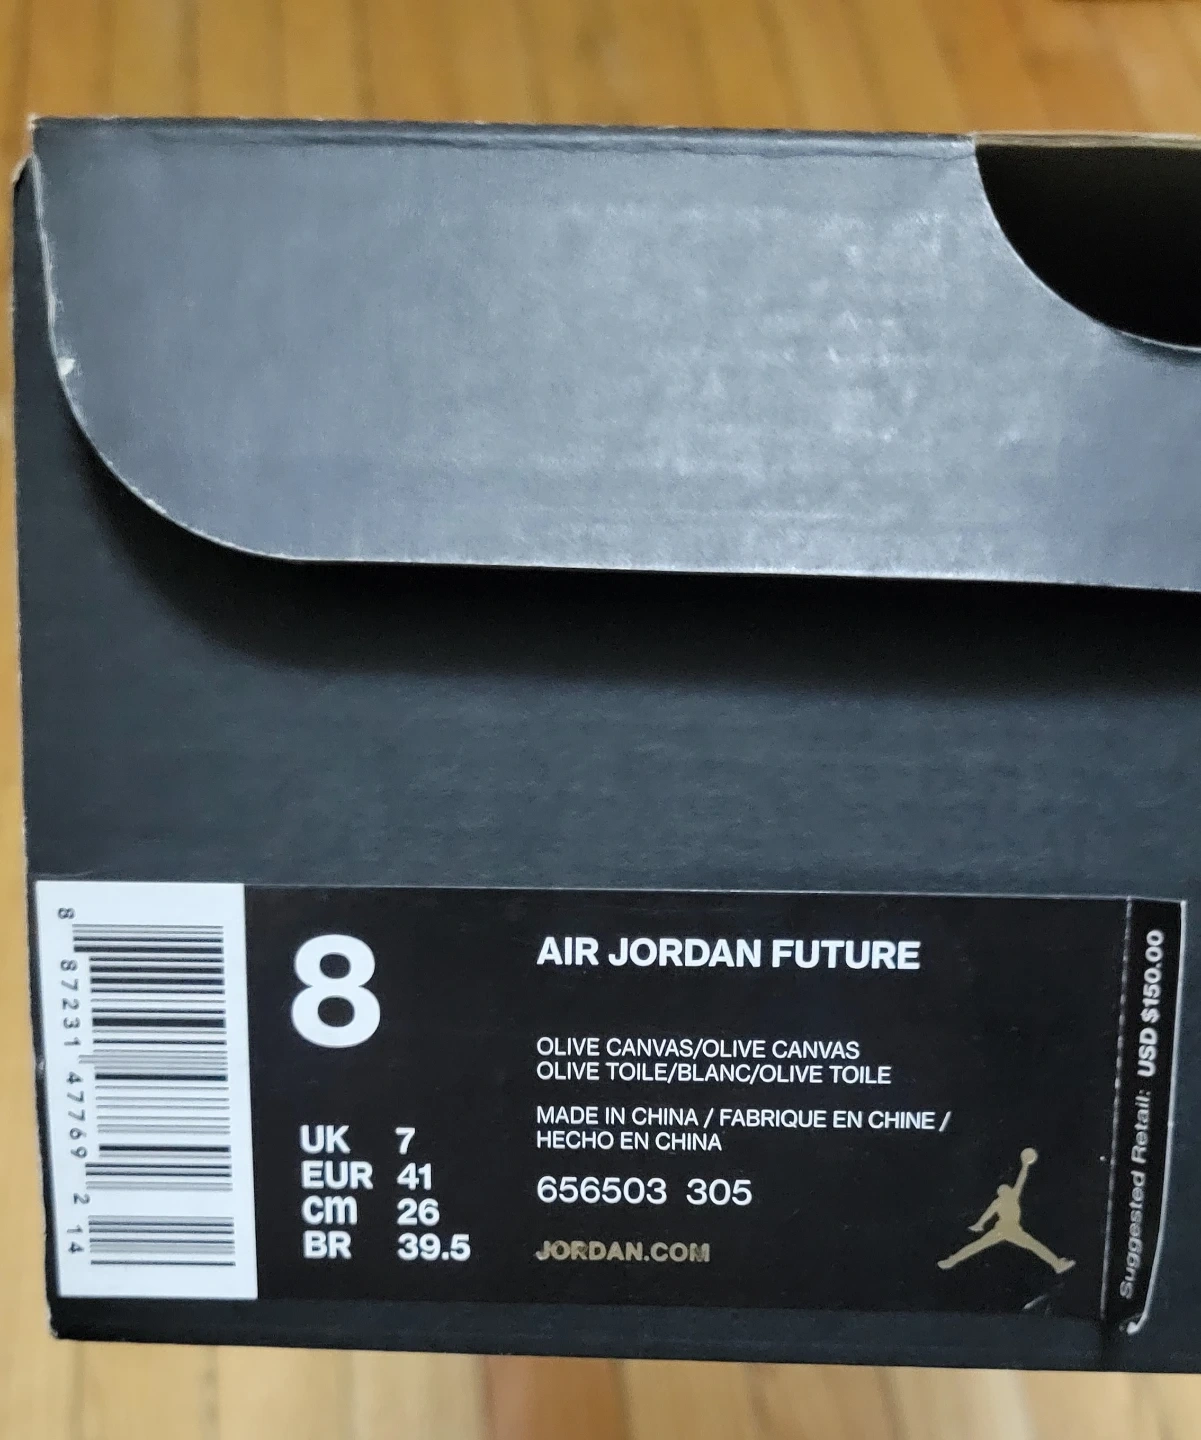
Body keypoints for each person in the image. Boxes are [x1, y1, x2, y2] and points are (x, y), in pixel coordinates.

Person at [938, 1147, 1074, 1274]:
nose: (1006, 1189)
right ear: (1002, 1193)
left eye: (1006, 1188)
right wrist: (979, 1224)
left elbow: (1020, 1179)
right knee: (1034, 1246)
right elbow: (988, 1213)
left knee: (978, 1246)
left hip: (1009, 1229)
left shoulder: (1010, 1197)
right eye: (1003, 1189)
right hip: (1006, 1229)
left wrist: (1025, 1165)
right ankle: (1057, 1264)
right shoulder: (1003, 1200)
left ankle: (951, 1261)